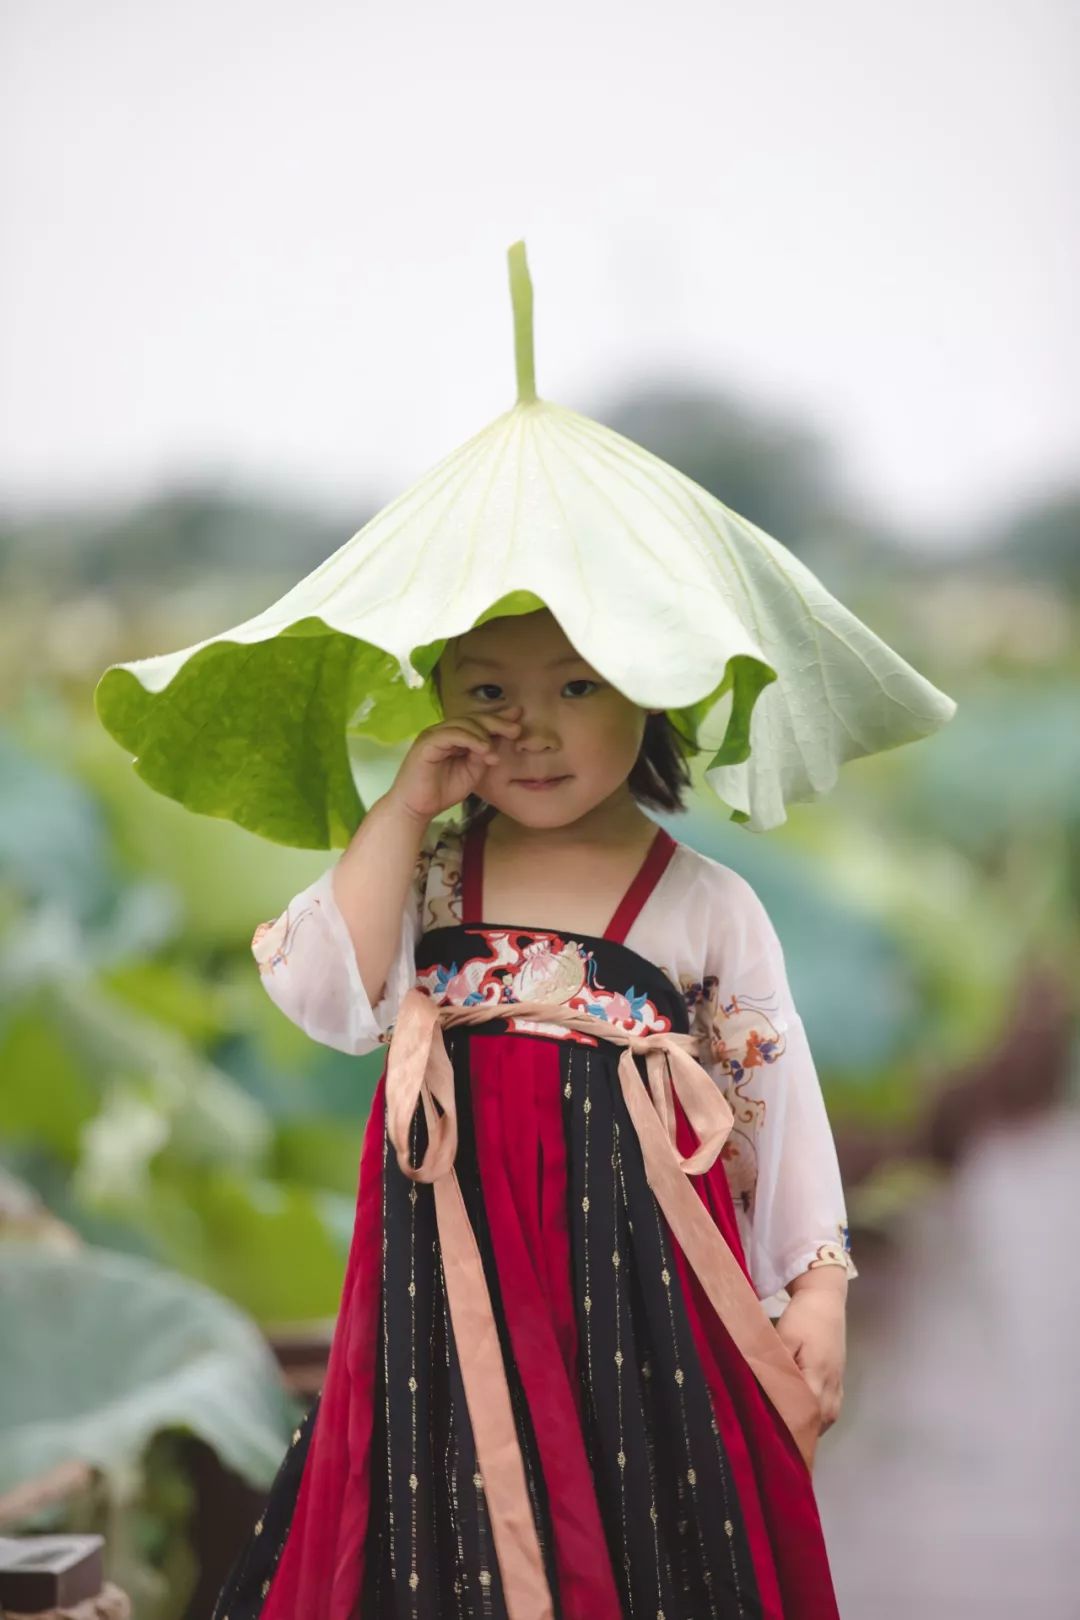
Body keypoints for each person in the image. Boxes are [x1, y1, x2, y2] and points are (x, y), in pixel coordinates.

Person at [213, 605, 858, 1620]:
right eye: (487, 693)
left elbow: (773, 1098)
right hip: (444, 1267)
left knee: (637, 1506)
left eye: (576, 686)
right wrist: (403, 810)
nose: (532, 727)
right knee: (440, 1509)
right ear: (440, 706)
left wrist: (815, 1286)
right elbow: (325, 998)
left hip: (635, 1288)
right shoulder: (423, 877)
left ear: (651, 687)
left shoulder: (704, 901)